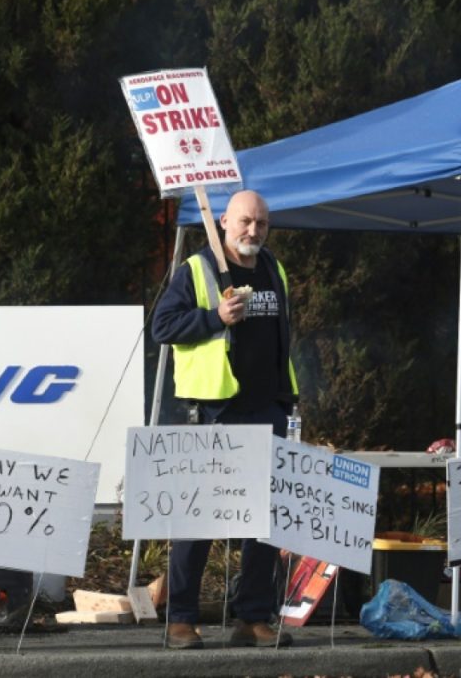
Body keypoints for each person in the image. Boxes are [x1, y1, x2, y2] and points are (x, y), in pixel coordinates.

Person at [151, 189, 299, 650]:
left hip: (267, 409)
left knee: (266, 522)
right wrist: (214, 317)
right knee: (200, 519)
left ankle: (252, 619)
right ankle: (181, 621)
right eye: (244, 222)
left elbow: (280, 340)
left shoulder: (274, 268)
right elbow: (163, 326)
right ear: (222, 223)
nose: (253, 230)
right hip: (214, 410)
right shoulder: (196, 270)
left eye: (261, 223)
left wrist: (288, 400)